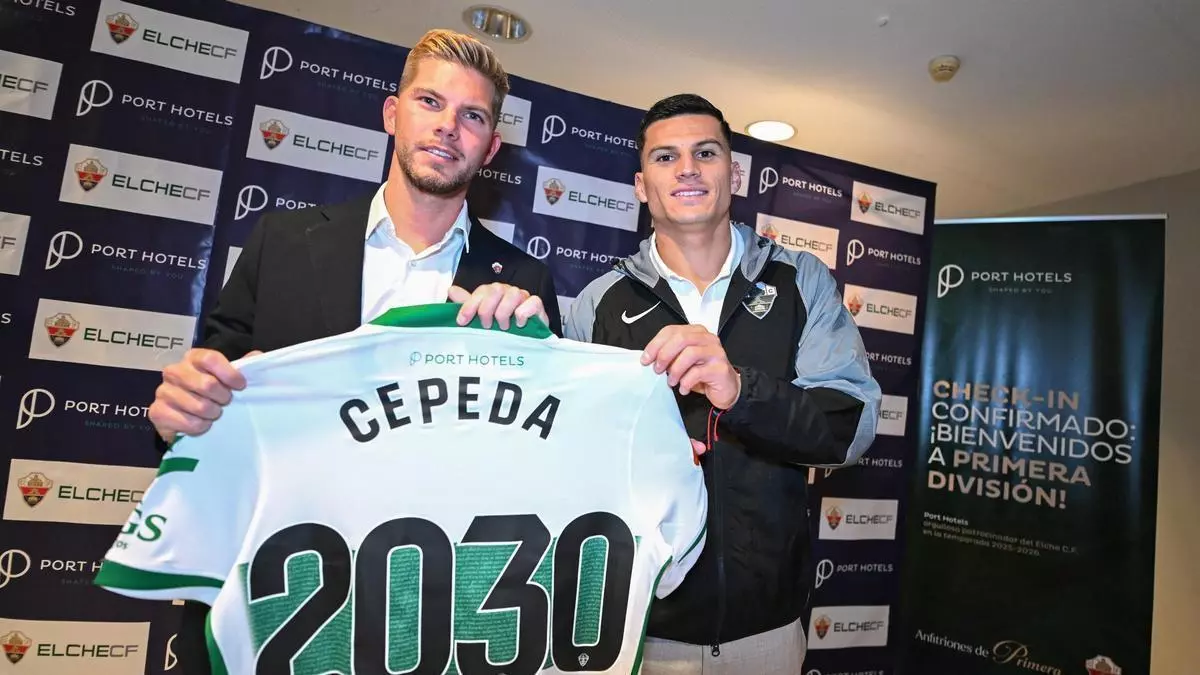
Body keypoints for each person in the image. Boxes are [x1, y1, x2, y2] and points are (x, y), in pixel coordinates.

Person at [147, 28, 560, 674]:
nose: (448, 126)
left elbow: (542, 464)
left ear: (490, 148)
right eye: (430, 102)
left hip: (434, 619)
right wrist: (181, 415)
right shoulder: (283, 243)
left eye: (473, 116)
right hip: (277, 599)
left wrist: (533, 354)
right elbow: (207, 400)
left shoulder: (523, 285)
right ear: (392, 114)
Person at [564, 93, 882, 674]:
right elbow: (571, 458)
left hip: (767, 631)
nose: (686, 169)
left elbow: (850, 427)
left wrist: (740, 392)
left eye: (705, 153)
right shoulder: (597, 302)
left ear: (733, 175)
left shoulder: (799, 280)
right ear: (641, 186)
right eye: (665, 157)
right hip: (638, 629)